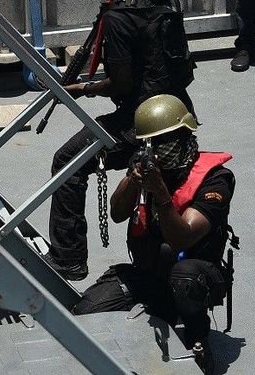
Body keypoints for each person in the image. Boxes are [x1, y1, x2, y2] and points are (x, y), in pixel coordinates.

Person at [44, 0, 195, 282]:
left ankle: (69, 258)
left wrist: (84, 88)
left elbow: (122, 83)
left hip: (141, 124)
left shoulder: (121, 13)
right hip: (176, 113)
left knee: (68, 162)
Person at [72, 95, 234, 374]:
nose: (159, 150)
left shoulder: (216, 179)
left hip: (195, 273)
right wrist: (132, 181)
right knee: (86, 311)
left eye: (165, 140)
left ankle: (198, 337)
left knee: (184, 277)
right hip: (149, 271)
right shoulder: (145, 170)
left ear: (185, 135)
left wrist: (160, 192)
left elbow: (182, 239)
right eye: (152, 143)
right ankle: (156, 309)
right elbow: (118, 213)